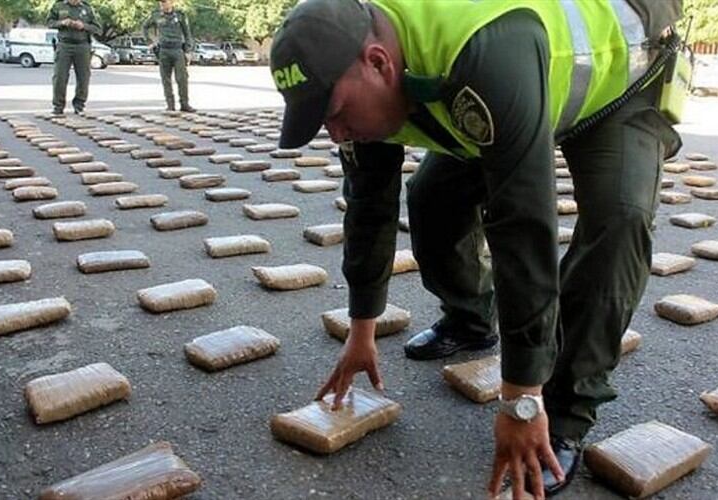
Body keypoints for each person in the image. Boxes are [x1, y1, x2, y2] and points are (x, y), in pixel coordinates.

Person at [270, 0, 682, 498]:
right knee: (431, 200)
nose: (335, 132)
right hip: (507, 100)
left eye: (334, 113)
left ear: (378, 62)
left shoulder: (482, 47)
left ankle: (566, 414)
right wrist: (362, 330)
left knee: (619, 223)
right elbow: (368, 209)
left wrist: (521, 401)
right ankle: (470, 319)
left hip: (616, 87)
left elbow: (523, 227)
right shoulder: (362, 70)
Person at [46, 0, 101, 115]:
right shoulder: (58, 6)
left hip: (82, 45)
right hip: (65, 44)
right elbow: (49, 22)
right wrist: (62, 23)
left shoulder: (87, 8)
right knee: (59, 76)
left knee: (83, 77)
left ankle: (79, 105)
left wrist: (83, 26)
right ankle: (58, 106)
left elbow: (97, 28)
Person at [143, 0, 196, 112]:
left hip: (177, 50)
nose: (162, 5)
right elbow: (144, 27)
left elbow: (187, 34)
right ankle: (170, 105)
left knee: (182, 78)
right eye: (161, 3)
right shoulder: (156, 15)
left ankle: (184, 104)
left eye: (165, 2)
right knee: (166, 79)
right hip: (163, 51)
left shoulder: (180, 15)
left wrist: (188, 51)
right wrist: (149, 42)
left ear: (171, 2)